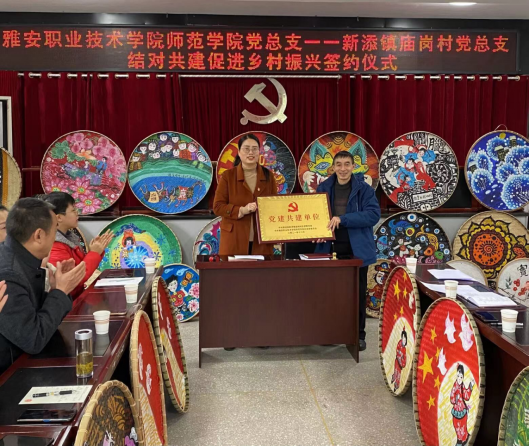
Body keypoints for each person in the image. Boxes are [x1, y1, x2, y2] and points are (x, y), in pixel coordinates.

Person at [0, 198, 86, 375]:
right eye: (54, 231)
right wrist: (60, 291)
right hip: (13, 374)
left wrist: (56, 288)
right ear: (38, 235)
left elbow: (36, 315)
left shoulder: (20, 256)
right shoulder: (8, 275)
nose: (55, 237)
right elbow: (33, 339)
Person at [315, 151, 381, 351]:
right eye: (339, 164)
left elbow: (373, 215)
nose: (343, 168)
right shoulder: (323, 188)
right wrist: (317, 231)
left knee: (357, 294)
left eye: (346, 164)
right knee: (331, 293)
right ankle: (332, 333)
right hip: (330, 247)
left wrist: (343, 219)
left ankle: (358, 335)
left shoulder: (364, 189)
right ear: (333, 167)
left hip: (356, 249)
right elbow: (316, 215)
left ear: (353, 166)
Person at [214, 133, 278, 256]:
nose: (251, 152)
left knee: (261, 269)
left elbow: (274, 206)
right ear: (239, 152)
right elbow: (218, 207)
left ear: (259, 152)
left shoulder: (268, 176)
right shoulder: (228, 176)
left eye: (254, 149)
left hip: (261, 241)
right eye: (246, 149)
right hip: (234, 239)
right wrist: (242, 210)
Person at [45, 192, 113, 299]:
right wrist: (94, 253)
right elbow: (76, 279)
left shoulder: (69, 237)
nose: (77, 213)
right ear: (59, 218)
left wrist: (95, 250)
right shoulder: (54, 245)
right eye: (73, 210)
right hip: (67, 301)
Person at [451, 364, 475, 447]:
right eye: (458, 376)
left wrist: (470, 385)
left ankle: (464, 439)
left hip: (463, 411)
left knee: (463, 426)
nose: (459, 379)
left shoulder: (462, 386)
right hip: (456, 411)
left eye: (461, 377)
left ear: (463, 377)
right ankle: (459, 440)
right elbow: (452, 397)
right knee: (457, 426)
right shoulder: (454, 387)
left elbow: (466, 396)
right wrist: (455, 398)